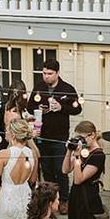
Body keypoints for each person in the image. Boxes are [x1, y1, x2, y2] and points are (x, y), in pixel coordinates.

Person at [27, 58, 81, 209]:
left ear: (57, 73)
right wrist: (40, 108)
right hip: (42, 135)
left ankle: (64, 199)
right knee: (47, 169)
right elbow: (30, 106)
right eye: (44, 73)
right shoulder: (39, 87)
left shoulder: (67, 89)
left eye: (50, 74)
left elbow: (77, 109)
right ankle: (50, 199)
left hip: (59, 136)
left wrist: (62, 107)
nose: (46, 77)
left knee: (61, 169)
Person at [61, 121, 106, 219]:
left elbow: (79, 179)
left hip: (88, 199)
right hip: (76, 196)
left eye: (82, 138)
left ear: (92, 135)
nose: (80, 141)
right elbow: (65, 170)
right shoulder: (83, 152)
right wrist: (69, 151)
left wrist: (79, 157)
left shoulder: (98, 155)